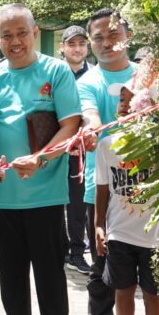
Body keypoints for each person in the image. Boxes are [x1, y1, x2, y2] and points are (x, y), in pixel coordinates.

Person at [70, 8, 159, 315]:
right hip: (104, 190)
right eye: (97, 37)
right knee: (104, 271)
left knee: (158, 272)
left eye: (112, 34)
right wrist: (94, 128)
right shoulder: (87, 81)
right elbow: (91, 116)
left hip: (152, 194)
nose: (105, 42)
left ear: (127, 36)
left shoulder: (147, 75)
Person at [0, 4, 81, 315]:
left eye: (22, 33)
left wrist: (41, 159)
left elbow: (71, 125)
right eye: (7, 35)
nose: (15, 41)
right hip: (3, 197)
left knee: (50, 276)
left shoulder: (55, 72)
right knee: (12, 275)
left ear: (35, 33)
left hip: (45, 195)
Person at [95, 78, 159, 315]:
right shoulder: (107, 145)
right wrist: (99, 226)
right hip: (120, 232)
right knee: (123, 289)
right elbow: (102, 190)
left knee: (154, 292)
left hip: (155, 236)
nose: (124, 106)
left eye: (132, 100)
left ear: (149, 107)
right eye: (121, 100)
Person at [60, 25, 92, 274]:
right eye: (71, 44)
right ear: (63, 47)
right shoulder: (54, 74)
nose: (77, 48)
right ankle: (58, 250)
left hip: (83, 153)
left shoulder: (93, 76)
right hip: (56, 151)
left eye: (81, 44)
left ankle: (77, 252)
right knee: (53, 203)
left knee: (78, 205)